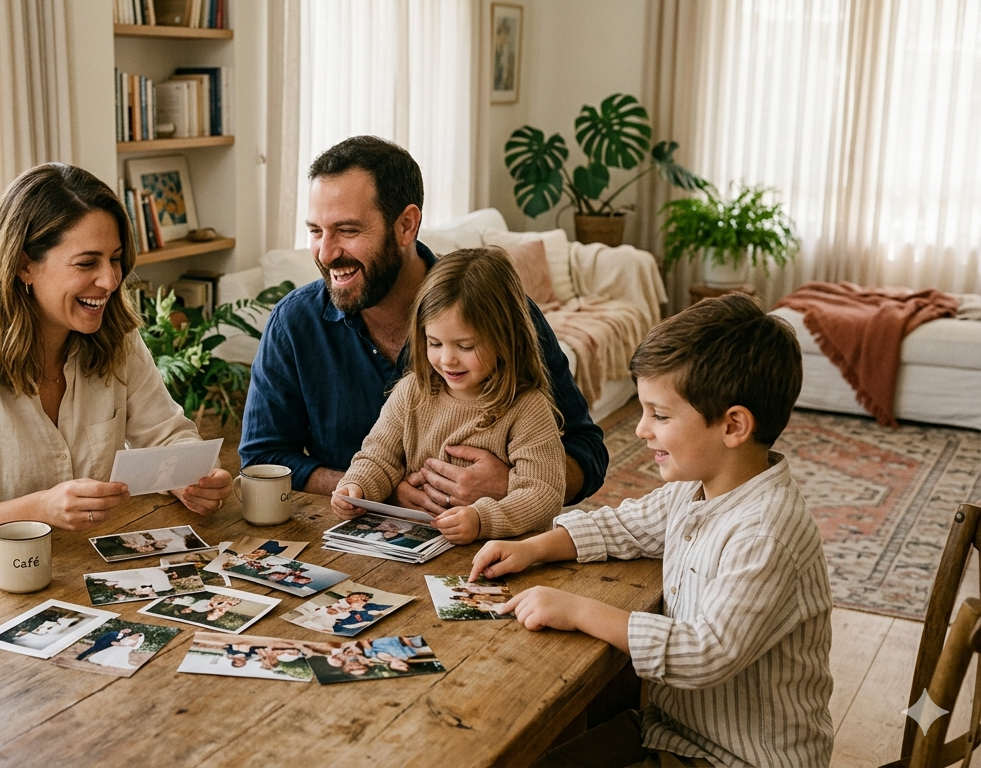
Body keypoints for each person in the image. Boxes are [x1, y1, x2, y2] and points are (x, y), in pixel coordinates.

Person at [469, 295, 833, 767]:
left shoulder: (765, 533)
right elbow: (623, 525)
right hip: (675, 733)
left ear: (734, 426)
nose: (641, 429)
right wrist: (533, 548)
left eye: (659, 415)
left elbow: (705, 653)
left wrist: (578, 609)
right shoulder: (697, 489)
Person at [240, 135, 607, 516]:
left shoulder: (500, 314)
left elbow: (588, 453)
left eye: (347, 231)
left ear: (406, 225)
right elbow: (262, 457)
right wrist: (374, 488)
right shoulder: (294, 323)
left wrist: (512, 485)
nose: (327, 253)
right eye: (316, 231)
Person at [0, 163, 231, 535]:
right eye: (87, 263)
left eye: (115, 258)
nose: (110, 280)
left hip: (85, 564)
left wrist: (193, 480)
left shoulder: (115, 336)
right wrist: (39, 509)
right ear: (24, 266)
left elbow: (167, 436)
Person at [332, 248, 565, 544]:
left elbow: (543, 493)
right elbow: (379, 457)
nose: (447, 360)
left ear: (505, 337)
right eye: (435, 343)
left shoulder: (527, 409)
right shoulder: (410, 393)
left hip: (497, 552)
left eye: (465, 346)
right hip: (417, 546)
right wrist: (356, 487)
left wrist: (482, 520)